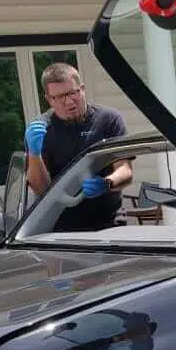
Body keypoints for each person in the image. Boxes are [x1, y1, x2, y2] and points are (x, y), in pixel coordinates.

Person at [24, 62, 135, 231]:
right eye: (59, 97)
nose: (68, 102)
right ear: (48, 99)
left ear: (82, 89)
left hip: (109, 222)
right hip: (61, 226)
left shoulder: (108, 120)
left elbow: (126, 171)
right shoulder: (41, 129)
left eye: (72, 93)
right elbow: (41, 189)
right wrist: (34, 153)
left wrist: (107, 183)